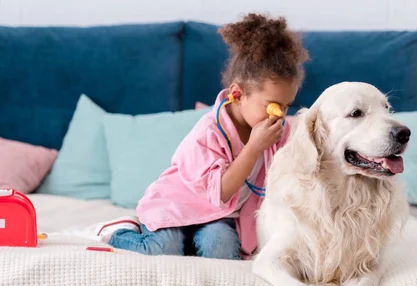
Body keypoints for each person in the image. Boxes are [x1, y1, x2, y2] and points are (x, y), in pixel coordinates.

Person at [88, 13, 309, 260]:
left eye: (286, 106)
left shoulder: (277, 132)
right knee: (163, 249)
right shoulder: (208, 133)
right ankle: (119, 232)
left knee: (222, 247)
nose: (279, 115)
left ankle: (190, 246)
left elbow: (299, 161)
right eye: (272, 105)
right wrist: (253, 148)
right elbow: (221, 193)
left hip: (217, 217)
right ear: (237, 93)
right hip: (176, 207)